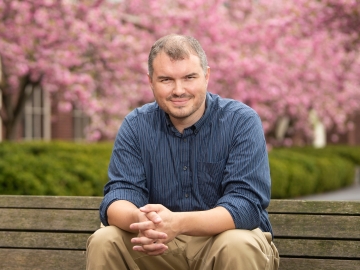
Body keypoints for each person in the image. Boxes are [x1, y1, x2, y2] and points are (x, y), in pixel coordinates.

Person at [86, 34, 280, 270]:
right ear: (150, 81)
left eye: (189, 77)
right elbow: (118, 197)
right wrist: (143, 221)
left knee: (236, 243)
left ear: (207, 75)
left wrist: (177, 223)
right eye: (166, 79)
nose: (179, 90)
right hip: (159, 247)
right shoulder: (136, 126)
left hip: (223, 241)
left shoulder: (241, 121)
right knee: (106, 240)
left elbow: (246, 207)